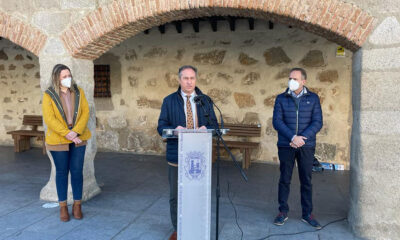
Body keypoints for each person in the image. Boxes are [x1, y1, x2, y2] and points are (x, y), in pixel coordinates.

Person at [157, 65, 217, 240]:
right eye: (185, 78)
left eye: (192, 78)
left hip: (200, 155)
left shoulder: (205, 100)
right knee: (176, 195)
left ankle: (197, 225)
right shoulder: (169, 101)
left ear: (196, 80)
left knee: (198, 193)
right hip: (177, 154)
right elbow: (161, 126)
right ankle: (177, 228)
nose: (189, 81)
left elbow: (215, 125)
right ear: (179, 80)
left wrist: (208, 127)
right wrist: (174, 130)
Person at [272, 67, 323, 229]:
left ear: (303, 81)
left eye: (295, 79)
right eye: (290, 78)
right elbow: (277, 121)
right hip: (286, 145)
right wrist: (292, 137)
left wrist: (301, 139)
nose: (291, 81)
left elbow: (317, 122)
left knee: (306, 180)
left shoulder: (313, 98)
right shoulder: (281, 98)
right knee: (284, 179)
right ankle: (282, 211)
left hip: (306, 146)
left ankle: (307, 214)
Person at [42, 64, 91, 222]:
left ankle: (77, 205)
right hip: (58, 140)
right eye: (64, 77)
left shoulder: (78, 91)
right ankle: (63, 206)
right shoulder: (49, 95)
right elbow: (50, 119)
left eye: (68, 75)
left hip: (78, 136)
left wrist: (76, 132)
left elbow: (85, 112)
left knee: (77, 171)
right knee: (62, 172)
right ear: (57, 78)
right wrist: (68, 134)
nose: (67, 79)